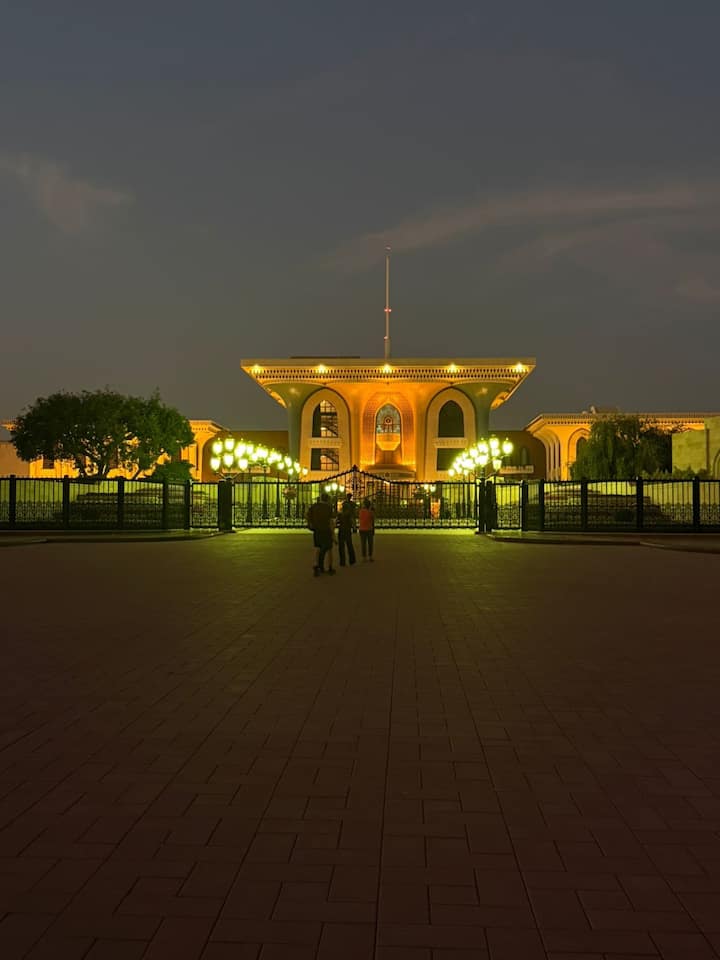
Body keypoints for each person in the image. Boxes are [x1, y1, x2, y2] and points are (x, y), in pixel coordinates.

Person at [306, 493, 336, 576]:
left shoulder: (314, 506)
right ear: (328, 499)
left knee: (318, 548)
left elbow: (307, 515)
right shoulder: (328, 508)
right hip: (326, 530)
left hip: (317, 530)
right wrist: (333, 533)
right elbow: (331, 521)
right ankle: (330, 567)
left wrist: (311, 524)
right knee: (329, 549)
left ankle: (316, 565)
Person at [336, 493, 357, 567]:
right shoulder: (349, 514)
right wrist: (354, 528)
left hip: (341, 530)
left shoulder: (340, 514)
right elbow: (352, 520)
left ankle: (342, 561)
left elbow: (336, 521)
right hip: (347, 530)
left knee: (341, 546)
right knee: (349, 545)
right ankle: (352, 560)